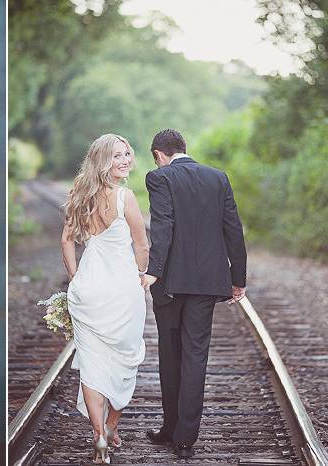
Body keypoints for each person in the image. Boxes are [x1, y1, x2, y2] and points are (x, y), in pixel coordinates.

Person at [142, 129, 247, 459]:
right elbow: (233, 228)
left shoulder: (160, 178)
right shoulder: (218, 178)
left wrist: (154, 270)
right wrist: (238, 277)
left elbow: (163, 225)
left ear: (159, 154)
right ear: (183, 149)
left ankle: (169, 427)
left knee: (170, 354)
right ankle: (185, 437)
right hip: (207, 283)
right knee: (196, 355)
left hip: (170, 282)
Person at [61, 134, 149, 464]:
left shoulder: (79, 195)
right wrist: (141, 276)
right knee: (125, 360)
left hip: (89, 289)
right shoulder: (125, 198)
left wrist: (75, 278)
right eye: (117, 156)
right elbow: (142, 246)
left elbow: (66, 241)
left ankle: (98, 436)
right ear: (103, 162)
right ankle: (111, 427)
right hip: (123, 290)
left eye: (127, 153)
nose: (126, 160)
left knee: (93, 366)